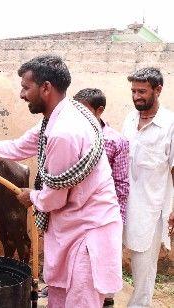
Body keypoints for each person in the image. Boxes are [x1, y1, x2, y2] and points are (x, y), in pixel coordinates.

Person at [0, 55, 122, 307]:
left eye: (26, 87)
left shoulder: (63, 133)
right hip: (71, 228)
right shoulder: (60, 116)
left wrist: (31, 197)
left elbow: (55, 198)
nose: (22, 94)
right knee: (58, 299)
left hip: (87, 235)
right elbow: (18, 146)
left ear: (45, 88)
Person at [122, 67, 173, 308]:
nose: (136, 96)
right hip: (120, 205)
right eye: (133, 91)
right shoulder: (129, 119)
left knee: (143, 267)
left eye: (142, 91)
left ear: (158, 90)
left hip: (150, 209)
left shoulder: (170, 125)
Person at [75, 88, 130, 307]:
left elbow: (122, 184)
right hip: (76, 210)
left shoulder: (116, 141)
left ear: (99, 111)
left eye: (85, 110)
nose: (79, 115)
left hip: (104, 212)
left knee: (104, 257)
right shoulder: (74, 136)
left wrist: (119, 219)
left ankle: (106, 298)